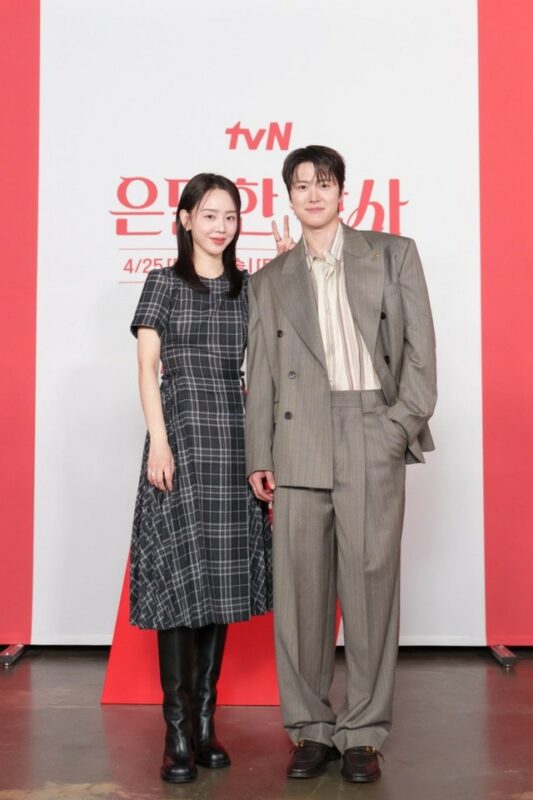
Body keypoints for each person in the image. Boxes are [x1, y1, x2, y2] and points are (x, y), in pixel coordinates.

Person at [246, 145, 436, 784]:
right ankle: (309, 729)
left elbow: (419, 350)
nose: (313, 194)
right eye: (301, 185)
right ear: (289, 197)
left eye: (323, 183)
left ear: (342, 192)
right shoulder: (270, 279)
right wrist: (259, 453)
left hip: (369, 426)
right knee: (300, 591)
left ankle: (363, 732)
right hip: (298, 433)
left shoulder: (392, 253)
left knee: (370, 583)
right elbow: (262, 373)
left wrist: (398, 425)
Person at [129, 173, 272, 784]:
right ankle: (178, 733)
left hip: (235, 437)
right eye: (209, 215)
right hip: (181, 435)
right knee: (180, 582)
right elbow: (147, 368)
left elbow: (269, 363)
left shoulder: (249, 288)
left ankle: (207, 724)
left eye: (230, 217)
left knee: (220, 581)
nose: (221, 227)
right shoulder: (162, 282)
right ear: (185, 218)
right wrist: (159, 443)